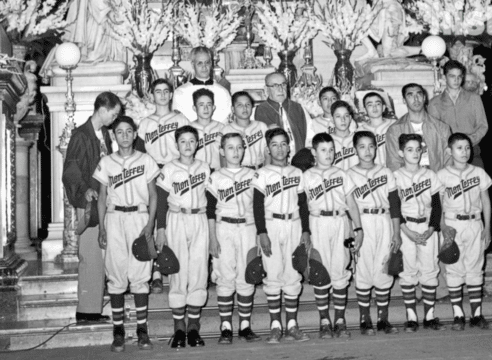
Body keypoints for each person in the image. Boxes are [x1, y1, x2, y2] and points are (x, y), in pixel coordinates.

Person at [93, 116, 159, 352]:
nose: (124, 136)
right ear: (113, 135)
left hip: (139, 217)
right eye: (119, 132)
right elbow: (102, 197)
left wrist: (150, 224)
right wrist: (101, 226)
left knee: (141, 275)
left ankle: (142, 331)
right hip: (114, 218)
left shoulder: (146, 160)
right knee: (116, 274)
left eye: (128, 131)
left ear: (135, 134)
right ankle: (118, 332)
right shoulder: (106, 162)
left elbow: (153, 195)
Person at [62, 91, 122, 324]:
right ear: (102, 109)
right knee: (91, 255)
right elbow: (71, 169)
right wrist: (84, 189)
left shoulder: (102, 135)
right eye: (114, 114)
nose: (114, 119)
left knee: (99, 254)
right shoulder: (81, 135)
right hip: (88, 201)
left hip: (102, 200)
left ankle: (93, 308)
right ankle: (87, 311)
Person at [252, 128, 311, 344]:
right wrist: (262, 233)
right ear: (268, 148)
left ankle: (292, 325)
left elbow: (303, 204)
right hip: (272, 223)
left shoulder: (297, 173)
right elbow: (257, 206)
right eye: (274, 144)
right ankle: (275, 325)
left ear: (289, 147)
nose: (279, 148)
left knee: (292, 274)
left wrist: (306, 230)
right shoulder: (262, 173)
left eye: (283, 144)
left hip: (294, 223)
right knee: (273, 273)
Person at [156, 125, 211, 348]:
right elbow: (161, 200)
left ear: (197, 144)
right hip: (177, 219)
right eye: (183, 141)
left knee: (199, 270)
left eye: (191, 141)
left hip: (199, 219)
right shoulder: (169, 168)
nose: (187, 145)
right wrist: (161, 229)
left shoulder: (205, 167)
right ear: (176, 144)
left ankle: (193, 328)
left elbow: (212, 198)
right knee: (178, 271)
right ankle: (179, 328)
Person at [304, 132, 363, 339]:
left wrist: (358, 229)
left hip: (340, 222)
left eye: (331, 150)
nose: (328, 154)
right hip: (318, 222)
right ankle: (324, 320)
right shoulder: (307, 176)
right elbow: (302, 206)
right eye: (323, 150)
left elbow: (352, 203)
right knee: (320, 271)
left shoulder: (342, 174)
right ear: (314, 152)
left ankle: (339, 319)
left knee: (339, 270)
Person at [135, 78, 190, 294]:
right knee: (156, 216)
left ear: (171, 94)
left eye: (166, 91)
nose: (163, 95)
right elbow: (139, 153)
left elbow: (189, 142)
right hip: (155, 171)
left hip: (177, 170)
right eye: (158, 91)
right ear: (152, 95)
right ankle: (156, 272)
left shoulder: (180, 118)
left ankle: (178, 267)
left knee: (174, 219)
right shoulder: (146, 123)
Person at [207, 133, 261, 345]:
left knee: (247, 276)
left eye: (239, 147)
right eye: (230, 148)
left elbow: (258, 207)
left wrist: (259, 234)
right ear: (222, 151)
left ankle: (245, 326)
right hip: (224, 227)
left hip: (247, 227)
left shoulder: (253, 175)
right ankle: (226, 326)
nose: (235, 152)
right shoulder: (216, 177)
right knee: (225, 276)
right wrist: (212, 237)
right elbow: (210, 210)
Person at [347, 131, 401, 336]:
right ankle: (364, 318)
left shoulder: (386, 172)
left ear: (376, 148)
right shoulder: (349, 174)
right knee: (363, 268)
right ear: (355, 149)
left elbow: (395, 204)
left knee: (383, 266)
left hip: (383, 220)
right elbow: (348, 207)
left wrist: (396, 232)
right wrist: (353, 230)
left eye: (371, 146)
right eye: (362, 146)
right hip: (361, 221)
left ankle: (382, 319)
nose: (367, 150)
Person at [437, 133, 491, 331]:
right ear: (449, 151)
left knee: (475, 268)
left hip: (475, 223)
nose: (464, 152)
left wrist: (488, 228)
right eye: (459, 148)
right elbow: (438, 205)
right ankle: (458, 315)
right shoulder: (442, 175)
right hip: (453, 224)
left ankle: (476, 315)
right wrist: (443, 227)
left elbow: (486, 201)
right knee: (453, 269)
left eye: (467, 148)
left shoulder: (478, 172)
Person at [394, 134, 445, 332]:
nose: (414, 153)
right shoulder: (396, 176)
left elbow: (437, 205)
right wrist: (405, 231)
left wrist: (432, 228)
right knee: (408, 271)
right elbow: (395, 207)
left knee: (429, 269)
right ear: (401, 153)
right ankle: (411, 316)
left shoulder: (430, 175)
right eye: (409, 149)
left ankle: (430, 316)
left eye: (417, 149)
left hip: (426, 227)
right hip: (406, 228)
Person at [428, 60, 488, 168]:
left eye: (459, 76)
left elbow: (483, 126)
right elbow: (433, 131)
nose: (456, 80)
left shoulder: (474, 98)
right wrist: (452, 145)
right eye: (452, 76)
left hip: (472, 151)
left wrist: (469, 141)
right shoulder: (434, 103)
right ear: (445, 76)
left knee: (479, 183)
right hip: (448, 154)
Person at [386, 83, 452, 173]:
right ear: (404, 100)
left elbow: (449, 160)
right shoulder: (394, 130)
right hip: (409, 182)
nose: (416, 99)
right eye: (410, 95)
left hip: (436, 179)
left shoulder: (442, 127)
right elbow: (394, 163)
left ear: (424, 98)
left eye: (419, 94)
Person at [255, 72, 314, 157]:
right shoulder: (258, 110)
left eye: (283, 84)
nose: (281, 89)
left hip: (298, 159)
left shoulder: (299, 108)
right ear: (266, 89)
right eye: (275, 85)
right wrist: (265, 130)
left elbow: (310, 134)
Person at [172, 47, 232, 124]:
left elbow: (226, 121)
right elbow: (179, 121)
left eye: (207, 62)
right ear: (193, 65)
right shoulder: (180, 92)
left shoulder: (223, 92)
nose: (204, 67)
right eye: (200, 63)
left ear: (211, 64)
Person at [222, 91, 269, 170]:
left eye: (248, 104)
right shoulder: (226, 130)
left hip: (260, 170)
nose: (245, 108)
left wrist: (266, 172)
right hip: (238, 172)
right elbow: (223, 158)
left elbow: (268, 153)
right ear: (233, 109)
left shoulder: (261, 126)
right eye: (240, 105)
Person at [189, 88, 225, 172]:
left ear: (213, 107)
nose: (205, 108)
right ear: (194, 108)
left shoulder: (221, 128)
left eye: (209, 105)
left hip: (217, 172)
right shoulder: (188, 128)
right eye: (201, 105)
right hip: (196, 174)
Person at [357, 92, 396, 166]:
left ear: (384, 107)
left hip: (395, 170)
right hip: (374, 173)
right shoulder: (360, 131)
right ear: (364, 110)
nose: (374, 108)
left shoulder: (394, 125)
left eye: (378, 104)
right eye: (370, 105)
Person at [331, 100, 358, 171]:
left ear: (350, 118)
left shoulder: (358, 139)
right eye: (338, 116)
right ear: (332, 119)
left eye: (346, 116)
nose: (343, 120)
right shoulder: (327, 141)